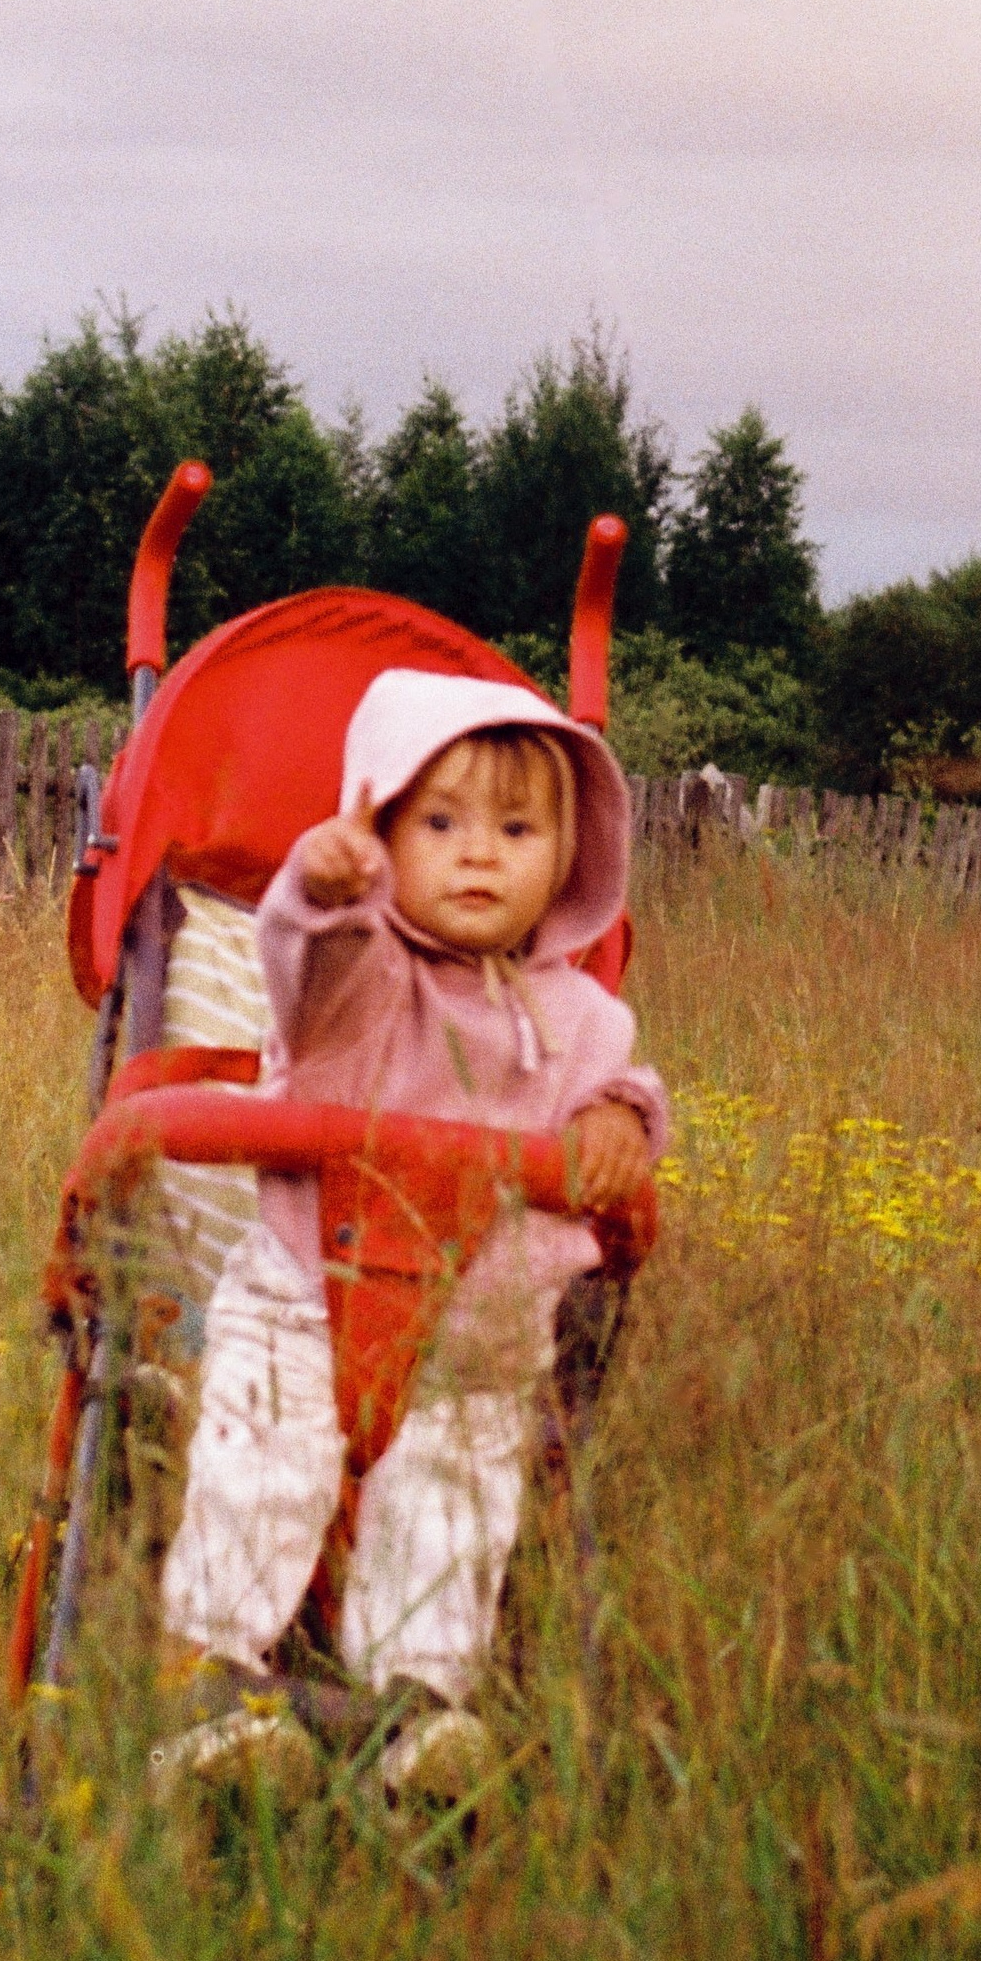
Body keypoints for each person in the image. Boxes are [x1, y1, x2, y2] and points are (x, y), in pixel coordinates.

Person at [154, 669, 669, 1802]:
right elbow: (306, 966)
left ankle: (420, 1703)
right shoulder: (363, 979)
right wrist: (324, 891)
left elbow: (626, 1084)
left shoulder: (579, 1015)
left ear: (570, 857)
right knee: (260, 1463)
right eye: (439, 825)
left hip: (478, 1329)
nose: (479, 854)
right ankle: (215, 1679)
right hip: (304, 1297)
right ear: (384, 834)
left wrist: (616, 1119)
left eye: (518, 830)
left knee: (452, 1498)